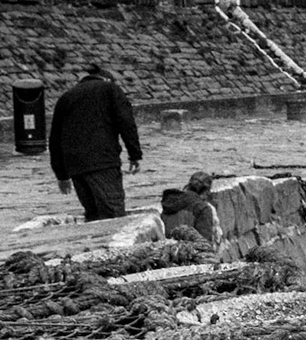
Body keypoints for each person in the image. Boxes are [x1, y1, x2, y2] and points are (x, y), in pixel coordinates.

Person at [49, 63, 141, 221]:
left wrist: (61, 175)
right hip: (103, 162)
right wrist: (134, 154)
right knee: (113, 214)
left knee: (93, 215)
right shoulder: (110, 89)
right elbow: (126, 123)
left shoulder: (66, 97)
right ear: (107, 79)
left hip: (76, 166)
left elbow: (55, 139)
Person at [160, 171, 219, 246]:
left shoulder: (170, 201)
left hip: (166, 247)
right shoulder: (202, 208)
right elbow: (204, 243)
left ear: (188, 186)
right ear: (206, 192)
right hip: (188, 249)